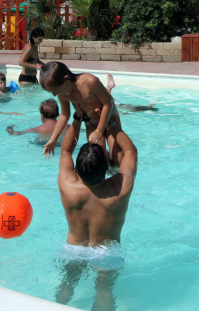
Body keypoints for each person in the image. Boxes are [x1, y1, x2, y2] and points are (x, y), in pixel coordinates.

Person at [55, 118, 137, 310]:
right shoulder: (119, 189)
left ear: (77, 169)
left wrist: (77, 119)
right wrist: (108, 124)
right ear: (106, 169)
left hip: (74, 249)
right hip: (106, 252)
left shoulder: (67, 185)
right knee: (104, 291)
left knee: (67, 285)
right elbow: (130, 152)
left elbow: (65, 150)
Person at [40, 62, 121, 158]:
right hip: (91, 122)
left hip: (109, 118)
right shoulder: (62, 94)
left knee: (117, 160)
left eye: (55, 90)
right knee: (98, 158)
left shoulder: (89, 81)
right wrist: (53, 138)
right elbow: (65, 115)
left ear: (66, 79)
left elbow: (108, 103)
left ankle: (108, 88)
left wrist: (99, 130)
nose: (54, 95)